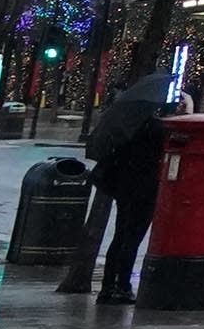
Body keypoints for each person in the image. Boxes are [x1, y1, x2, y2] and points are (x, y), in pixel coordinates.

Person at [66, 50, 170, 302]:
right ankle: (122, 285)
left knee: (121, 236)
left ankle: (107, 286)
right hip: (143, 190)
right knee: (132, 238)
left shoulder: (124, 126)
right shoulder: (154, 129)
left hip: (123, 189)